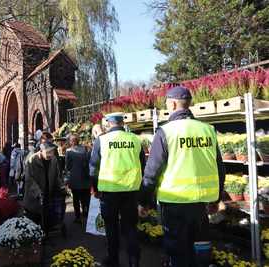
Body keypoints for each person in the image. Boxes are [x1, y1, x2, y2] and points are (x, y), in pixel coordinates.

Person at [139, 86, 225, 267]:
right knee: (201, 248)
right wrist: (216, 199)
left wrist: (144, 202)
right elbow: (219, 168)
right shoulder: (208, 130)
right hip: (201, 203)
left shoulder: (166, 132)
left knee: (178, 251)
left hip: (175, 204)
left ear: (172, 104)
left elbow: (151, 172)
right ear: (189, 104)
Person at [90, 113, 146, 267]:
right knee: (130, 229)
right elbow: (143, 165)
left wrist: (95, 189)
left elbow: (93, 169)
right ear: (122, 123)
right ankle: (134, 262)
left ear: (108, 123)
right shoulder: (135, 139)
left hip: (109, 192)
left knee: (111, 229)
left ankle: (113, 260)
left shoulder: (101, 140)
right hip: (131, 192)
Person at [23, 141, 64, 232]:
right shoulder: (32, 160)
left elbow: (57, 176)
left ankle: (45, 233)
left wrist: (61, 186)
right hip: (34, 196)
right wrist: (38, 192)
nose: (50, 154)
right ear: (41, 151)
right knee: (34, 218)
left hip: (47, 193)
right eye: (48, 152)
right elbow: (29, 179)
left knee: (46, 216)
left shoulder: (53, 160)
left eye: (52, 152)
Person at [65, 134, 91, 223]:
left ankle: (77, 217)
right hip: (85, 177)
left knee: (76, 198)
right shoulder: (85, 149)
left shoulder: (69, 151)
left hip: (75, 178)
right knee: (85, 197)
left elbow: (67, 166)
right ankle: (85, 211)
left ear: (71, 142)